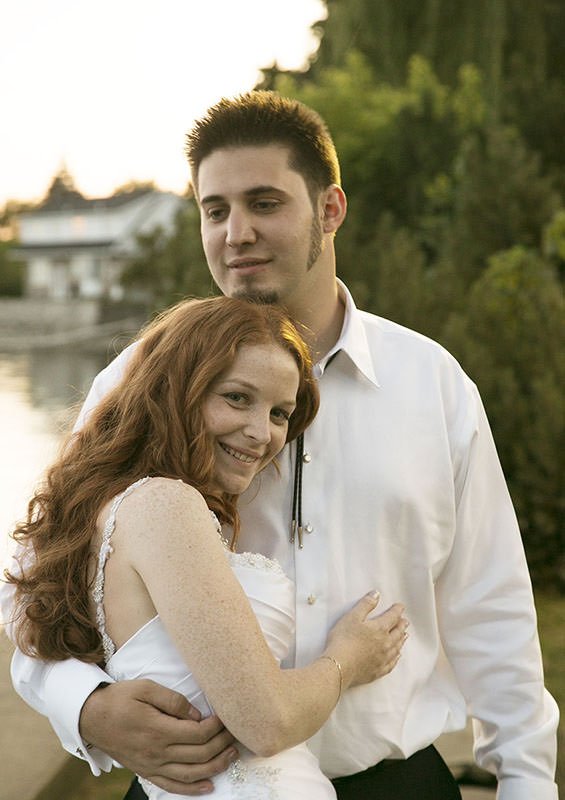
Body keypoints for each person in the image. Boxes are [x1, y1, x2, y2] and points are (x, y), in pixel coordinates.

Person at [2, 91, 559, 799]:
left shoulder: (432, 384)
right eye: (215, 210)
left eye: (264, 203)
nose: (236, 233)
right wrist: (82, 705)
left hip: (395, 784)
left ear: (329, 211)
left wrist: (527, 783)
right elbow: (31, 584)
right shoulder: (138, 380)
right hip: (197, 786)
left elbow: (492, 610)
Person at [4, 295, 407, 800]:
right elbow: (267, 723)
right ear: (177, 392)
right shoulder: (166, 506)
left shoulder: (123, 505)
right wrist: (349, 658)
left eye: (280, 413)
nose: (261, 433)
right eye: (238, 398)